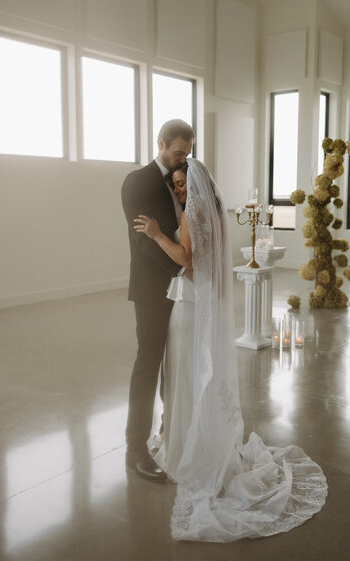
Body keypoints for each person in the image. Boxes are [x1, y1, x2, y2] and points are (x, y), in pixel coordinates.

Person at [133, 158, 328, 542]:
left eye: (182, 183)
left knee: (186, 374)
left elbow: (187, 260)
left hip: (188, 307)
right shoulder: (217, 215)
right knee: (195, 374)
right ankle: (201, 440)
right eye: (175, 185)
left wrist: (157, 234)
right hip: (202, 303)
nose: (179, 190)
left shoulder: (191, 214)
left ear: (197, 184)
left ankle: (185, 449)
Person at [121, 119, 195, 482]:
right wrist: (181, 270)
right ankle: (135, 447)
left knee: (178, 360)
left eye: (188, 152)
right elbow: (142, 240)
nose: (184, 158)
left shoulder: (185, 177)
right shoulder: (137, 181)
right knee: (148, 362)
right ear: (161, 143)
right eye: (179, 151)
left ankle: (171, 428)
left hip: (183, 289)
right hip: (153, 287)